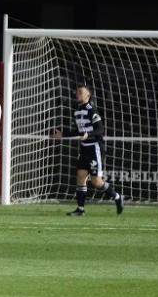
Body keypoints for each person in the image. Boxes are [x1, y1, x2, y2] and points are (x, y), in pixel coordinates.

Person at [51, 84, 124, 217]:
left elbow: (100, 129)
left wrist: (88, 135)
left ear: (87, 95)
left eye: (80, 92)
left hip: (95, 148)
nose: (77, 94)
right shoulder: (77, 110)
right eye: (77, 91)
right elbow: (78, 131)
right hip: (84, 148)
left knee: (96, 182)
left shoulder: (92, 109)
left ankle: (117, 196)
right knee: (81, 177)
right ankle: (80, 209)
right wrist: (63, 134)